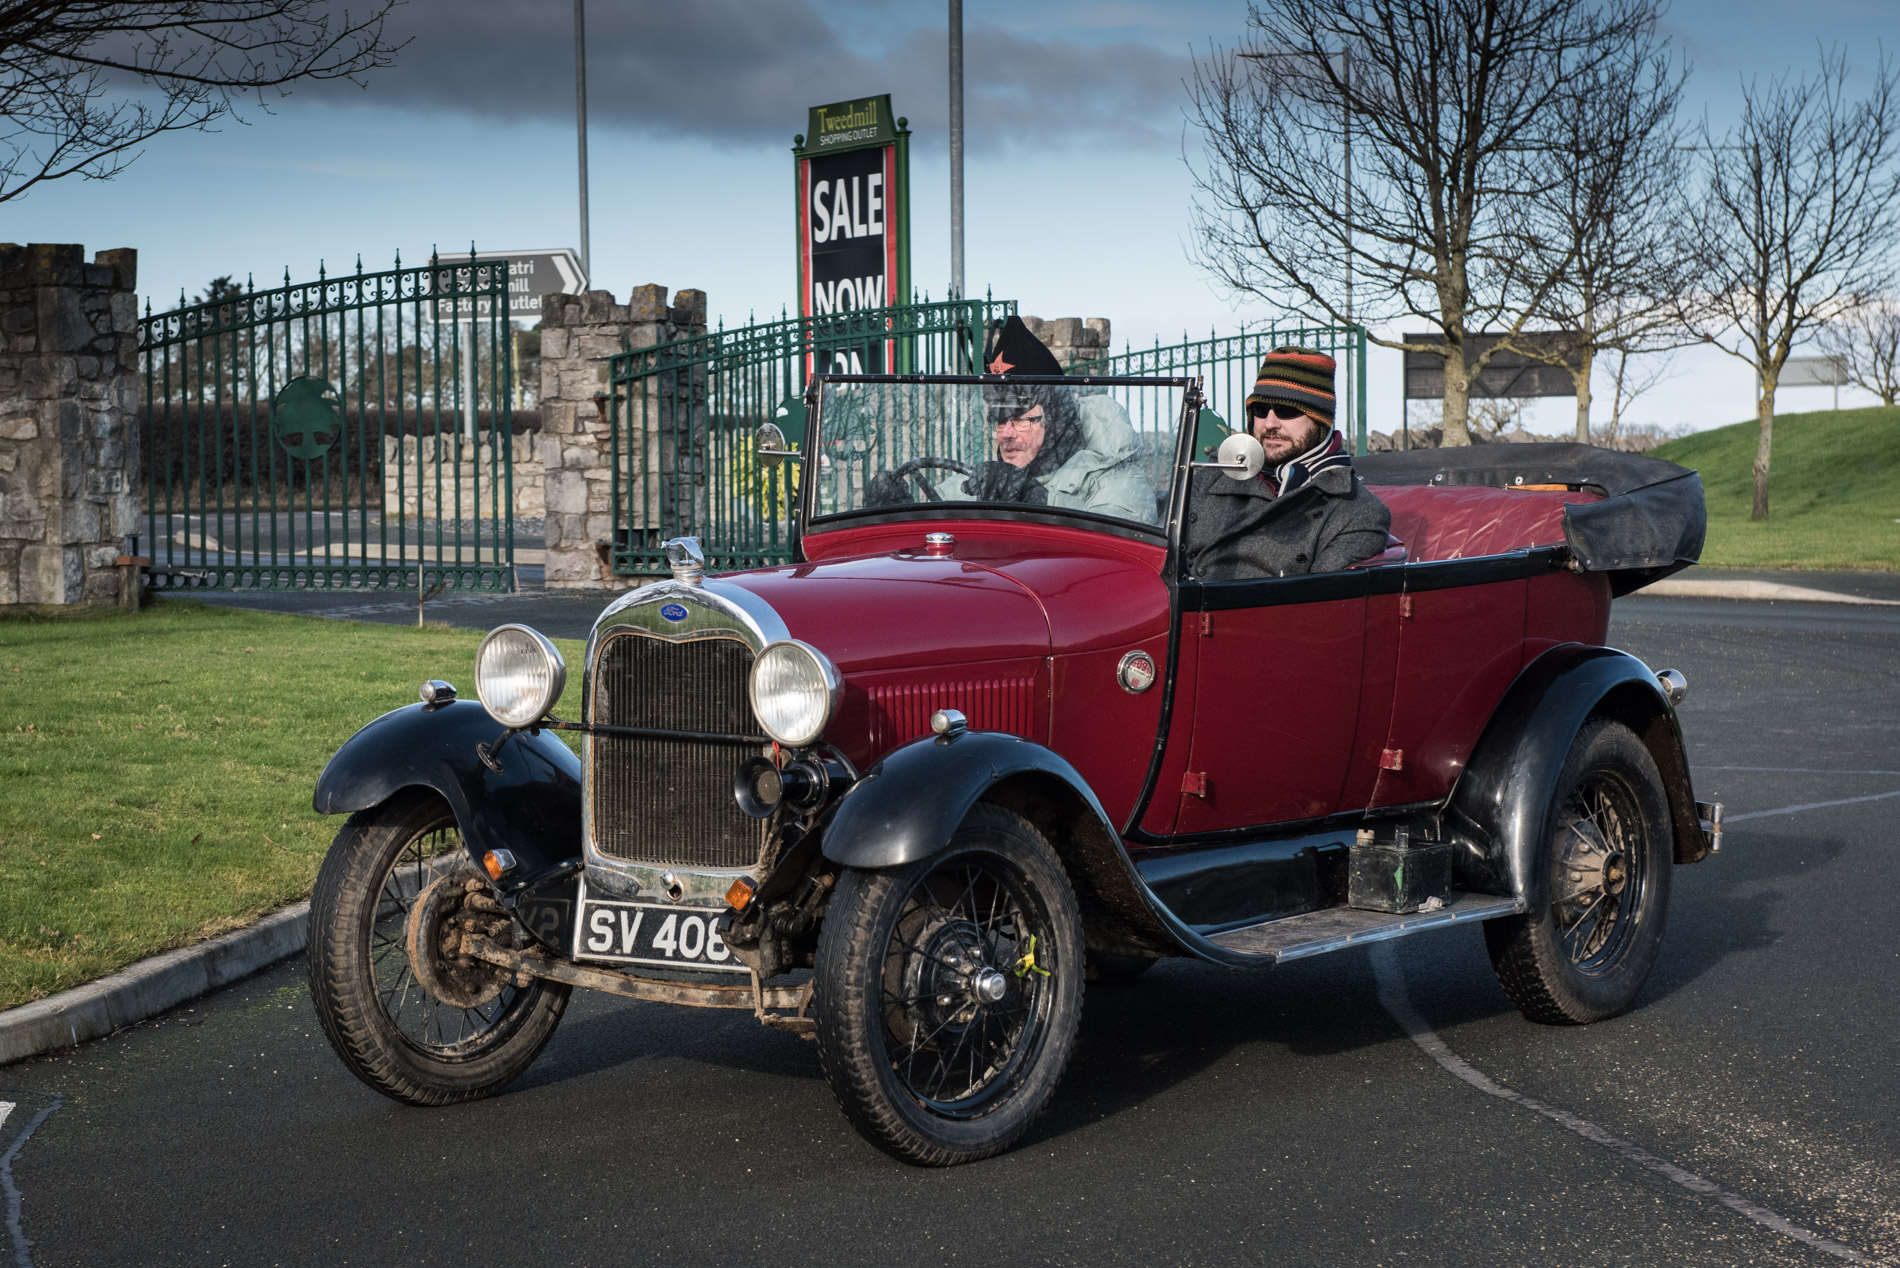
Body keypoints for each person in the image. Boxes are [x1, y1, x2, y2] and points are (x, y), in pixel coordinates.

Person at [869, 317, 1157, 522]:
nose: (1006, 433)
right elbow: (933, 529)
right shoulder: (980, 483)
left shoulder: (1118, 480)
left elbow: (1124, 554)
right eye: (998, 419)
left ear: (1055, 420)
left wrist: (1037, 502)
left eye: (1020, 419)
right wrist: (895, 511)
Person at [1182, 346, 1391, 579]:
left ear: (1319, 421)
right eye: (1260, 410)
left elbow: (1310, 605)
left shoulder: (1357, 511)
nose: (1269, 423)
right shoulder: (1216, 472)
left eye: (1286, 410)